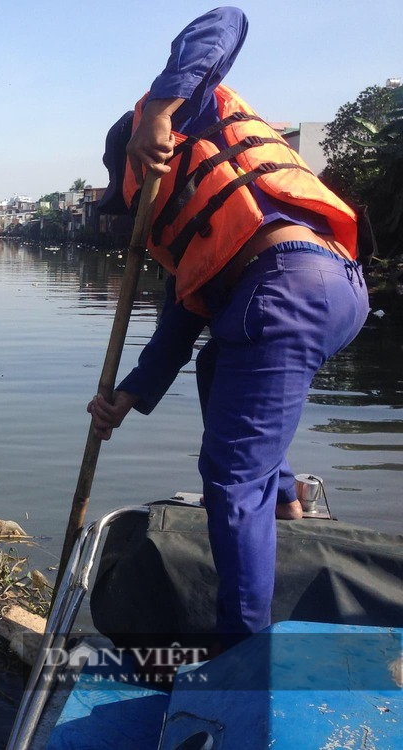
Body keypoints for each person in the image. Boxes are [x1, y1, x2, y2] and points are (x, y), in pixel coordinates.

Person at [88, 6, 370, 645]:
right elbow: (178, 327)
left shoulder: (184, 114)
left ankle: (239, 650)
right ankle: (288, 503)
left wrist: (159, 111)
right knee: (219, 367)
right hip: (324, 291)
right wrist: (125, 399)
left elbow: (227, 19)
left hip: (287, 285)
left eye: (121, 185)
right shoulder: (187, 230)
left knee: (229, 476)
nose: (124, 199)